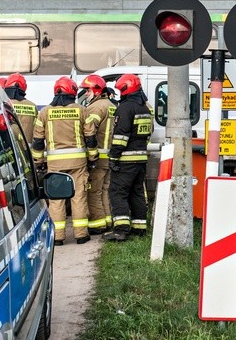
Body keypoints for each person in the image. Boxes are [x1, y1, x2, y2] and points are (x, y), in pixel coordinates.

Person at [31, 77, 98, 245]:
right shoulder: (82, 110)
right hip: (78, 163)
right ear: (72, 92)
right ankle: (81, 235)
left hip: (55, 164)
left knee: (56, 199)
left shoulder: (44, 112)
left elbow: (38, 141)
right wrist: (92, 158)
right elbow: (90, 138)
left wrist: (38, 161)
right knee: (79, 197)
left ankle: (58, 237)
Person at [106, 73, 153, 241]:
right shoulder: (144, 108)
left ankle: (121, 229)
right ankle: (139, 228)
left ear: (126, 88)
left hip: (125, 160)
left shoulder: (125, 108)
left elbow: (121, 136)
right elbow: (149, 133)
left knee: (118, 192)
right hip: (140, 159)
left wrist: (113, 157)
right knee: (137, 192)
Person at [80, 74, 117, 235]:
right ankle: (108, 221)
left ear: (95, 90)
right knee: (105, 190)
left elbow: (89, 133)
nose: (85, 94)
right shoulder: (111, 105)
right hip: (109, 155)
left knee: (93, 191)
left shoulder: (95, 108)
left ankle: (98, 224)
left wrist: (90, 156)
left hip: (99, 157)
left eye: (87, 91)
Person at [2, 73, 38, 143]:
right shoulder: (33, 106)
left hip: (11, 149)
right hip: (28, 150)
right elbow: (37, 130)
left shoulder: (5, 103)